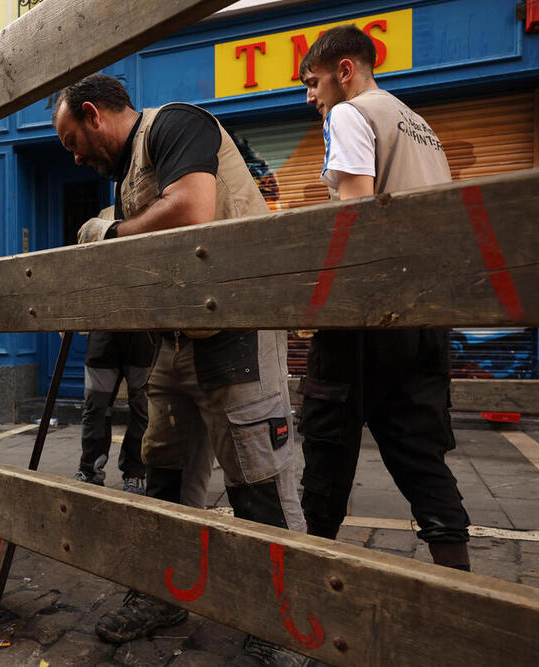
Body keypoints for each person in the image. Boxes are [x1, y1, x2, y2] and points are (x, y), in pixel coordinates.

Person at [53, 74, 308, 667]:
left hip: (235, 325)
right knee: (162, 465)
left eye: (71, 140)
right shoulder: (126, 174)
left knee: (257, 476)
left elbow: (193, 207)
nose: (73, 154)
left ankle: (282, 623)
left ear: (93, 115)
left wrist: (111, 232)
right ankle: (164, 593)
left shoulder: (174, 124)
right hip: (175, 337)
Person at [297, 26, 471, 571]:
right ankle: (462, 594)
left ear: (344, 71)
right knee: (423, 461)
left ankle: (307, 599)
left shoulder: (349, 114)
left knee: (326, 457)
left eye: (312, 81)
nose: (310, 95)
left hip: (364, 319)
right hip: (425, 320)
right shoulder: (419, 125)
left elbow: (356, 218)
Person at [75, 211, 154, 495]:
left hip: (143, 330)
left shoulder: (155, 213)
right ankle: (90, 469)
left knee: (142, 408)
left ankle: (135, 472)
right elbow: (82, 265)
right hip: (104, 328)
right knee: (95, 406)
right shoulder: (102, 218)